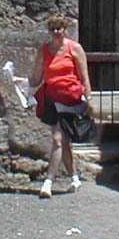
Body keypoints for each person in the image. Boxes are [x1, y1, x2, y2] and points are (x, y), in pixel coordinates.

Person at [29, 15, 93, 199]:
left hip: (70, 98)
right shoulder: (44, 50)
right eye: (52, 29)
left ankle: (68, 178)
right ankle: (50, 183)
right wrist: (18, 80)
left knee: (62, 141)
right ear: (49, 31)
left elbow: (84, 76)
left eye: (59, 28)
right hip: (51, 98)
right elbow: (37, 78)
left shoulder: (75, 48)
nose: (56, 32)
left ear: (65, 30)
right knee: (58, 139)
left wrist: (89, 99)